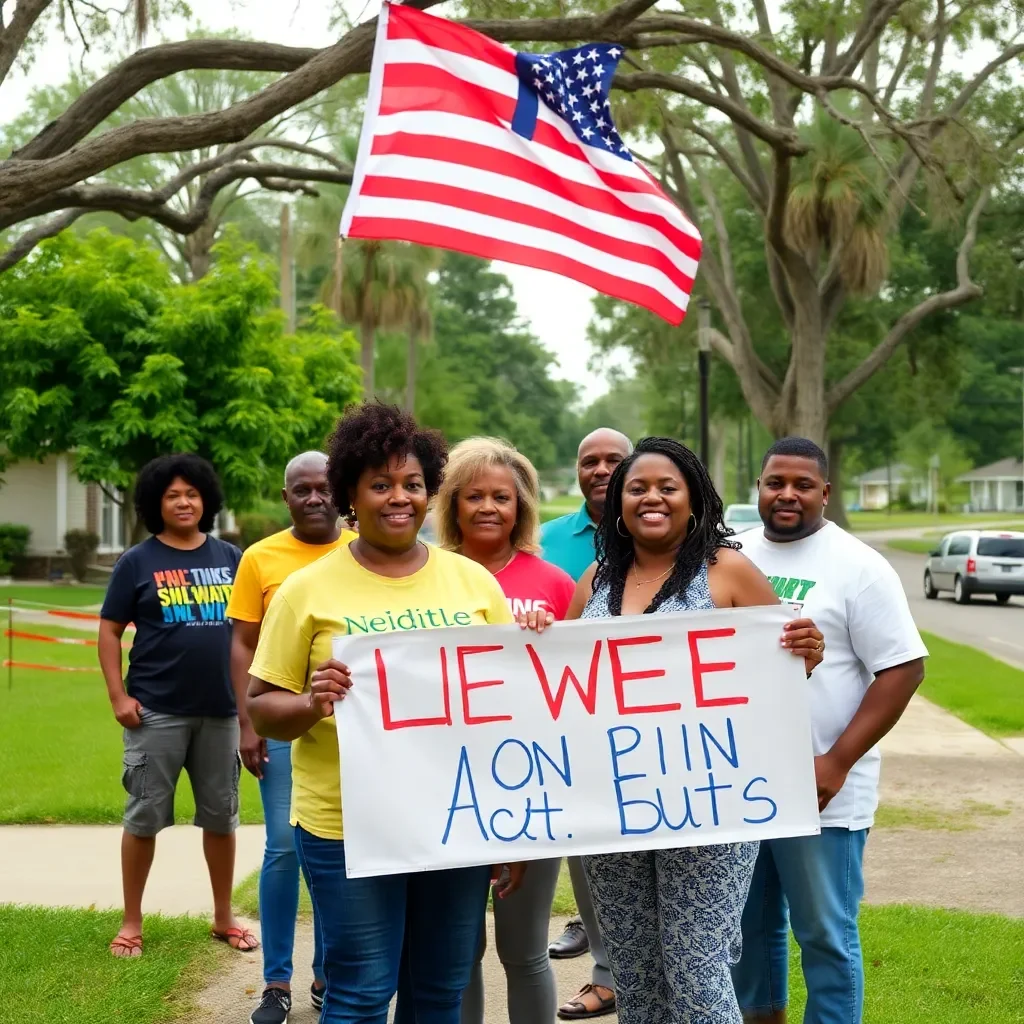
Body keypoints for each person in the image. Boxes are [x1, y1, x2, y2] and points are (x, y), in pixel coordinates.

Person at [245, 403, 529, 1024]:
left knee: (438, 993)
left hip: (456, 822)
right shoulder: (306, 590)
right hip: (348, 825)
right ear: (351, 493)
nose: (398, 498)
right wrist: (312, 700)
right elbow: (262, 708)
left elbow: (508, 706)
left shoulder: (473, 584)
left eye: (413, 484)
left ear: (430, 492)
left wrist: (510, 825)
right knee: (361, 994)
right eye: (380, 485)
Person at [549, 436, 825, 1024]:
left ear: (693, 500)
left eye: (667, 487)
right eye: (637, 488)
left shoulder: (726, 571)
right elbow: (553, 677)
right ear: (619, 503)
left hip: (710, 805)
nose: (652, 498)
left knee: (695, 969)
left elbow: (783, 666)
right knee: (635, 971)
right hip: (615, 809)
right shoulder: (598, 579)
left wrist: (809, 648)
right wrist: (535, 629)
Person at [731, 437, 927, 1024]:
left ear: (825, 493)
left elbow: (903, 669)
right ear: (759, 488)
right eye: (775, 483)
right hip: (743, 786)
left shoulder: (859, 567)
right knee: (749, 933)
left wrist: (837, 761)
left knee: (825, 937)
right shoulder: (730, 554)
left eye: (802, 485)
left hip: (824, 790)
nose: (787, 494)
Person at [434, 437, 576, 1024]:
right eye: (474, 496)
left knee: (524, 950)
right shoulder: (426, 576)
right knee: (456, 953)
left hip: (532, 785)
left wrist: (550, 635)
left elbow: (581, 690)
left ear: (521, 507)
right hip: (447, 784)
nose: (489, 507)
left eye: (502, 496)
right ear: (452, 505)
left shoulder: (556, 584)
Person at [99, 454, 257, 958]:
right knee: (143, 818)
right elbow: (108, 630)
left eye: (191, 493)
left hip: (222, 713)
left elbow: (250, 634)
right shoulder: (137, 562)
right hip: (157, 712)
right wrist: (118, 695)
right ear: (155, 504)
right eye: (172, 495)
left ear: (206, 499)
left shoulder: (231, 558)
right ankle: (131, 922)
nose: (184, 502)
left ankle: (223, 917)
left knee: (221, 818)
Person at [227, 452, 356, 1024]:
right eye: (301, 490)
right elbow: (242, 646)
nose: (314, 498)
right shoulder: (261, 558)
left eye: (324, 488)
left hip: (353, 731)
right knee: (284, 847)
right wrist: (246, 723)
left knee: (337, 849)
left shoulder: (361, 548)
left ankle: (328, 974)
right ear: (286, 497)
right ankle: (275, 980)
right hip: (281, 721)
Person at [539, 427, 631, 1021]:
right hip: (573, 728)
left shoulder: (662, 530)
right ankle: (604, 960)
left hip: (657, 735)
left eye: (613, 460)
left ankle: (623, 970)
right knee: (585, 853)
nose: (600, 469)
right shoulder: (547, 543)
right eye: (588, 461)